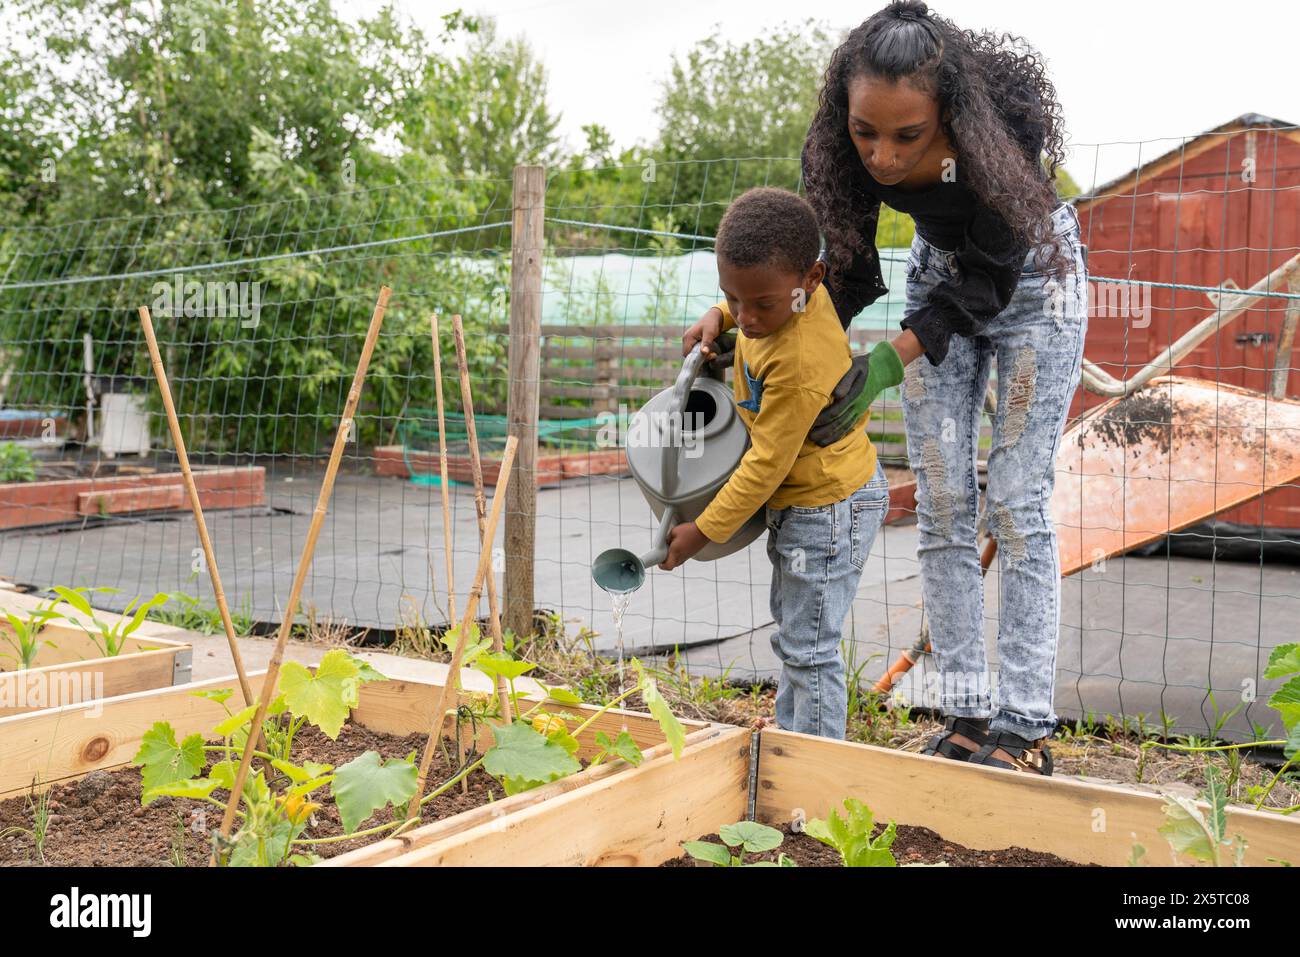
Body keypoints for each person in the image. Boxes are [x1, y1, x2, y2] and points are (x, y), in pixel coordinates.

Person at [799, 0, 1089, 773]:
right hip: (937, 275)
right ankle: (965, 710)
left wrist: (889, 360)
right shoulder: (841, 148)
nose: (884, 159)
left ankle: (1025, 725)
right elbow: (852, 276)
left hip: (1033, 278)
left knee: (1018, 498)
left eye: (907, 136)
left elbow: (988, 285)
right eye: (867, 132)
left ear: (951, 118)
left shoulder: (999, 152)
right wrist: (756, 322)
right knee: (942, 497)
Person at [667, 186, 913, 740]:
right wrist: (717, 316)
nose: (748, 319)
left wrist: (702, 532)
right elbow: (748, 301)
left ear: (813, 280)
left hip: (828, 508)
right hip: (804, 505)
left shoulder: (800, 357)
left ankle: (817, 768)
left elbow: (765, 465)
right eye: (734, 297)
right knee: (796, 632)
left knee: (809, 645)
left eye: (762, 305)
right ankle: (789, 742)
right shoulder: (780, 297)